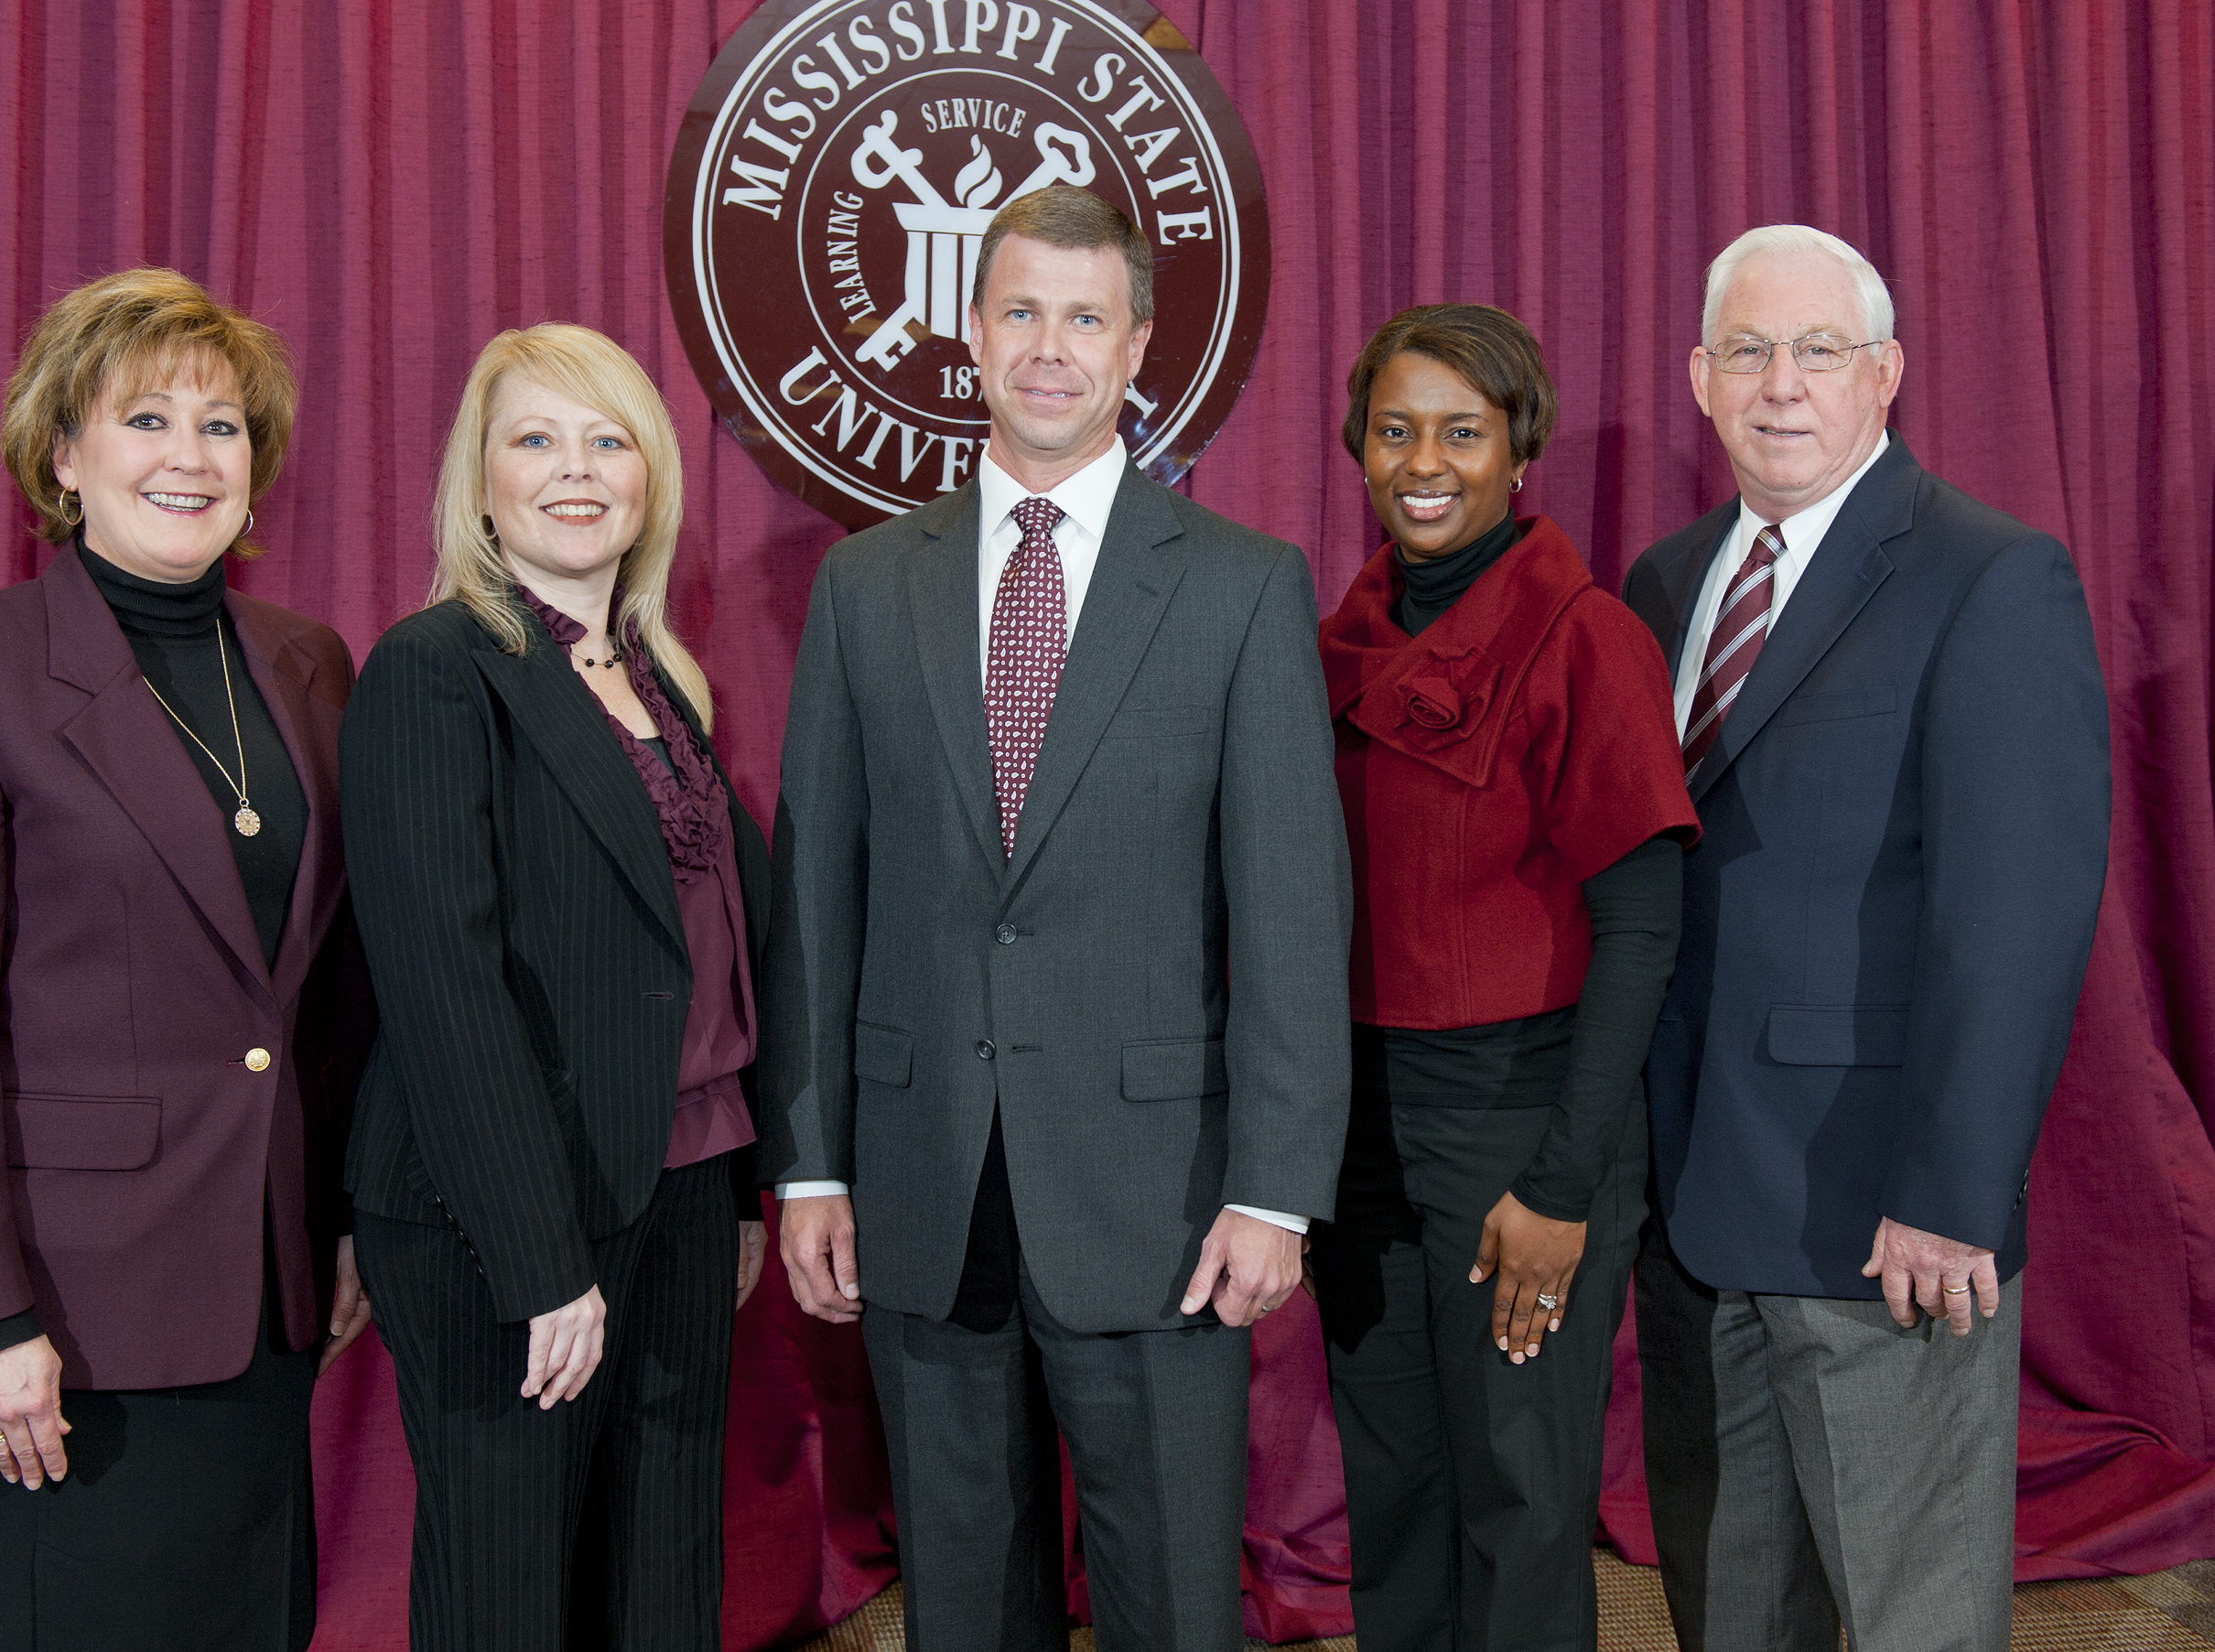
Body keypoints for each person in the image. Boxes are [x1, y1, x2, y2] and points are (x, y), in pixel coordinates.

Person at [762, 183, 1352, 1652]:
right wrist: (813, 1158)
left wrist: (1277, 1184)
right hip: (921, 1177)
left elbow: (1290, 908)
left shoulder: (1239, 587)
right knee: (966, 1602)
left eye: (1085, 318)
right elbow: (819, 899)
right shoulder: (863, 586)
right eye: (1020, 310)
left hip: (1160, 1194)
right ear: (972, 330)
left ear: (1138, 343)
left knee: (1168, 1604)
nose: (1049, 347)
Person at [0, 267, 373, 1651]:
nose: (189, 458)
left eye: (223, 427)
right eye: (145, 419)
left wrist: (344, 1220)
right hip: (66, 1317)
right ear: (63, 455)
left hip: (262, 1289)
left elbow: (328, 998)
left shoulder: (311, 664)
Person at [1623, 224, 2111, 1652]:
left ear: (1884, 375)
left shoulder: (1989, 576)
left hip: (1883, 1216)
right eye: (1751, 352)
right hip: (1693, 1203)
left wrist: (1955, 1190)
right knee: (1732, 1608)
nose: (1784, 385)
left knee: (1908, 1614)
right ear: (1700, 380)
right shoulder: (1667, 580)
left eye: (1820, 351)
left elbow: (2013, 914)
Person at [340, 323, 770, 1650]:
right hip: (506, 1214)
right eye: (535, 439)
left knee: (663, 1568)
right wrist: (539, 1262)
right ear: (480, 483)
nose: (575, 471)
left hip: (687, 1179)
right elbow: (442, 986)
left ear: (650, 479)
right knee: (508, 1585)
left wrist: (748, 1186)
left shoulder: (658, 676)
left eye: (608, 440)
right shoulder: (434, 668)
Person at [1309, 304, 1698, 1652]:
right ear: (1358, 448)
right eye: (1397, 428)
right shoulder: (1331, 637)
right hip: (1359, 1120)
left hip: (1519, 1113)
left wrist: (1562, 1181)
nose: (1427, 458)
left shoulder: (1587, 637)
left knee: (1523, 1492)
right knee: (1396, 1481)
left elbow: (1644, 926)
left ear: (1517, 452)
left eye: (1463, 431)